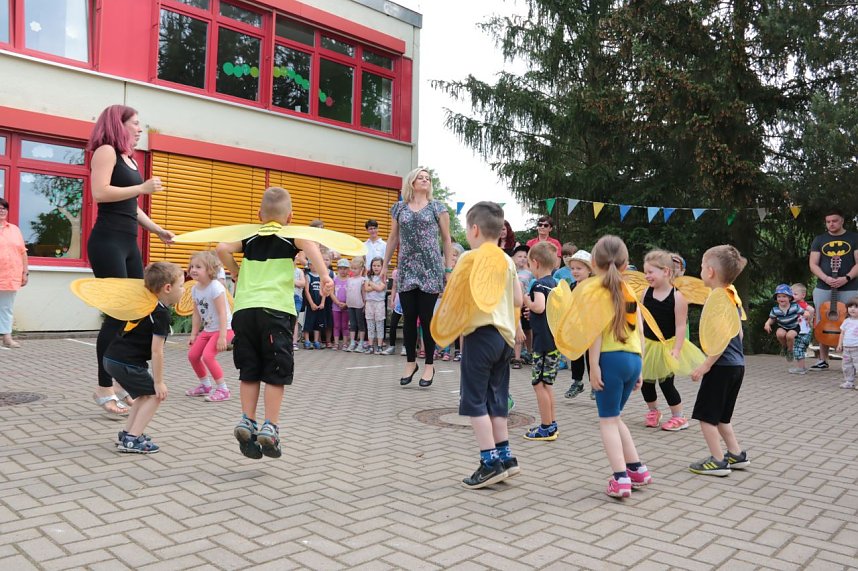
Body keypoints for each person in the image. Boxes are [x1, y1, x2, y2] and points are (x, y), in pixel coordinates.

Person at [217, 186, 332, 459]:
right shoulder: (290, 237)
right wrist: (326, 277)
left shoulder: (250, 237)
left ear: (259, 215)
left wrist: (235, 270)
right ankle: (270, 425)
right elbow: (311, 245)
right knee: (275, 371)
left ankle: (247, 419)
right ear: (290, 217)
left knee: (249, 370)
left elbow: (221, 247)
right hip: (275, 312)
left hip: (245, 311)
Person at [87, 104, 175, 415]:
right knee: (116, 316)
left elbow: (131, 204)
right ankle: (103, 387)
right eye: (135, 123)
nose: (139, 128)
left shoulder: (129, 158)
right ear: (118, 123)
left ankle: (123, 380)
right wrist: (142, 186)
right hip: (107, 242)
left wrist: (158, 229)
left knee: (137, 311)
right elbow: (100, 193)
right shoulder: (106, 151)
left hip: (129, 242)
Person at [454, 202, 522, 487]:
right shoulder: (507, 260)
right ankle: (505, 457)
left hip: (480, 335)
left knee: (474, 401)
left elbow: (456, 297)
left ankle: (489, 462)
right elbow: (519, 299)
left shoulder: (470, 258)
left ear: (475, 229)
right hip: (504, 338)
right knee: (496, 399)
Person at [588, 235, 652, 498]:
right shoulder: (631, 293)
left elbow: (595, 333)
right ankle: (636, 469)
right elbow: (641, 334)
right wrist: (640, 371)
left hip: (610, 360)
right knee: (615, 417)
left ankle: (620, 478)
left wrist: (593, 366)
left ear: (594, 262)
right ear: (625, 264)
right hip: (633, 359)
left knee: (607, 421)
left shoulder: (595, 291)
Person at [383, 167, 453, 388]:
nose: (425, 180)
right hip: (406, 267)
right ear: (412, 182)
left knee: (426, 318)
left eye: (428, 178)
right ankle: (410, 362)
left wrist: (448, 269)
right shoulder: (400, 208)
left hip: (430, 268)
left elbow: (447, 239)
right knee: (409, 317)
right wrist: (385, 265)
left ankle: (430, 365)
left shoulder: (437, 207)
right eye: (420, 178)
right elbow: (393, 238)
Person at [106, 262, 184, 453]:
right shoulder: (160, 314)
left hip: (112, 358)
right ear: (168, 288)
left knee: (144, 395)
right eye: (181, 285)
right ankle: (132, 439)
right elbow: (157, 351)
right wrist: (159, 382)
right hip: (126, 362)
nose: (183, 290)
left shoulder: (145, 304)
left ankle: (128, 433)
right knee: (155, 396)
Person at [689, 245, 750, 476]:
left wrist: (706, 365)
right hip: (737, 365)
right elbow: (739, 333)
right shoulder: (731, 295)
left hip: (720, 366)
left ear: (711, 271)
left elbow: (721, 338)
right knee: (723, 416)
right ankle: (735, 455)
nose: (700, 270)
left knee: (706, 417)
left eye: (702, 266)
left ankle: (717, 461)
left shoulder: (717, 298)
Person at [639, 250, 694, 431]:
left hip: (667, 346)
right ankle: (653, 411)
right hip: (647, 344)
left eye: (650, 272)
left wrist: (677, 349)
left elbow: (680, 326)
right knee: (646, 382)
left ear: (666, 272)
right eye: (645, 272)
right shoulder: (645, 293)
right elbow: (640, 319)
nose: (647, 276)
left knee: (666, 383)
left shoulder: (677, 297)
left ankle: (679, 416)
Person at [808, 209, 858, 370]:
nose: (831, 224)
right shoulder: (820, 239)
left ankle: (854, 360)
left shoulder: (854, 238)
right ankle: (823, 359)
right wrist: (826, 278)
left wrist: (846, 278)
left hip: (850, 287)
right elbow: (813, 264)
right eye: (828, 221)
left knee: (853, 320)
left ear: (842, 220)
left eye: (834, 221)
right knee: (823, 320)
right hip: (824, 286)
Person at [522, 242, 560, 441]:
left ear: (535, 263)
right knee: (547, 384)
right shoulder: (553, 283)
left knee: (538, 384)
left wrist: (527, 301)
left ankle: (546, 427)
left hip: (542, 343)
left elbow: (539, 307)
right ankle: (552, 423)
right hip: (553, 342)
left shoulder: (538, 284)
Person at [184, 251, 234, 402]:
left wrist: (223, 337)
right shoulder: (195, 288)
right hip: (208, 330)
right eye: (192, 266)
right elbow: (197, 314)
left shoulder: (215, 287)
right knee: (193, 355)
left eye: (198, 267)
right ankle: (205, 386)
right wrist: (193, 334)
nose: (193, 269)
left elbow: (222, 313)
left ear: (210, 270)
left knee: (208, 356)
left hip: (224, 329)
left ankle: (223, 389)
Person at [562, 250, 593, 399]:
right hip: (576, 327)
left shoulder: (594, 287)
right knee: (576, 355)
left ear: (589, 269)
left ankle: (595, 384)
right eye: (573, 268)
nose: (575, 271)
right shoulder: (572, 286)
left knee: (593, 356)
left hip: (592, 327)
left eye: (579, 268)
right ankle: (577, 382)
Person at [0, 197, 28, 348]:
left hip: (9, 275)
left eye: (4, 208)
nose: (2, 210)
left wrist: (25, 272)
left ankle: (7, 337)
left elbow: (23, 252)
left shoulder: (15, 230)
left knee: (6, 308)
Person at [764, 284, 805, 368]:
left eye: (784, 296)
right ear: (776, 298)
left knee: (790, 336)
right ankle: (784, 346)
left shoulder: (794, 307)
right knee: (779, 334)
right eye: (779, 296)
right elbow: (772, 318)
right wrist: (767, 323)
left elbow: (803, 312)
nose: (781, 299)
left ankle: (790, 350)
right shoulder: (775, 309)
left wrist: (807, 314)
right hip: (782, 326)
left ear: (789, 298)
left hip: (794, 326)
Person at [510, 245, 533, 369]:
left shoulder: (529, 273)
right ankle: (517, 358)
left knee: (527, 330)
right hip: (513, 305)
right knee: (515, 330)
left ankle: (529, 352)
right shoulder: (510, 270)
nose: (522, 259)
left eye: (525, 257)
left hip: (526, 304)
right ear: (513, 258)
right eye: (519, 256)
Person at [789, 283, 814, 375]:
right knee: (800, 348)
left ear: (803, 295)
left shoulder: (801, 304)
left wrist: (810, 320)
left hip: (803, 331)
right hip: (800, 330)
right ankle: (801, 367)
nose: (792, 296)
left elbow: (811, 309)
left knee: (798, 348)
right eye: (791, 294)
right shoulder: (795, 304)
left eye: (795, 294)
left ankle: (801, 368)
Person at [364, 257, 387, 354]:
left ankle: (380, 345)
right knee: (370, 324)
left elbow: (380, 288)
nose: (376, 267)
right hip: (369, 303)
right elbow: (366, 288)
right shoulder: (368, 276)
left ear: (382, 267)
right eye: (374, 265)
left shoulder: (384, 277)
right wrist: (374, 286)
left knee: (379, 325)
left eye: (378, 266)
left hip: (379, 303)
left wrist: (371, 284)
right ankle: (370, 345)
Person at [345, 257, 368, 352]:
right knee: (352, 324)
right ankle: (352, 342)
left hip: (359, 305)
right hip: (350, 304)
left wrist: (365, 304)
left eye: (355, 268)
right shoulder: (349, 279)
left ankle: (361, 342)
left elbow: (364, 293)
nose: (353, 270)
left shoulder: (363, 280)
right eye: (352, 268)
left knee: (360, 324)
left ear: (361, 269)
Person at [302, 259, 326, 350]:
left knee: (318, 324)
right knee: (308, 323)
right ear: (310, 266)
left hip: (319, 304)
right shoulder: (308, 276)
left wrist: (323, 302)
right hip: (311, 305)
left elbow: (324, 290)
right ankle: (307, 341)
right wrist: (311, 303)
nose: (315, 266)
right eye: (312, 264)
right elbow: (307, 291)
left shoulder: (321, 277)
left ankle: (316, 341)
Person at [836, 297, 858, 389]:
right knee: (847, 365)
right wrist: (839, 344)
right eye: (850, 306)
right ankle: (849, 381)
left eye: (856, 307)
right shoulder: (846, 321)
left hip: (856, 348)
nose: (852, 309)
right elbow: (842, 333)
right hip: (846, 348)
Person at [382, 268, 403, 355]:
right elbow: (394, 287)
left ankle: (406, 347)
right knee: (393, 325)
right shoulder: (396, 272)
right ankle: (392, 346)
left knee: (408, 326)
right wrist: (392, 300)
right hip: (398, 302)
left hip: (409, 302)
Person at [331, 258, 350, 350]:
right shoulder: (334, 280)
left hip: (347, 306)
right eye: (341, 268)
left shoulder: (350, 280)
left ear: (348, 269)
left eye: (345, 268)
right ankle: (336, 343)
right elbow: (331, 292)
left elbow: (352, 293)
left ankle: (345, 343)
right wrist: (337, 302)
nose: (343, 270)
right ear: (338, 269)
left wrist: (346, 303)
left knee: (345, 325)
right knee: (336, 325)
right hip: (336, 306)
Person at [292, 251, 306, 350]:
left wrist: (292, 281)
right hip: (285, 297)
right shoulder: (283, 271)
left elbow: (302, 283)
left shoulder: (299, 271)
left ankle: (294, 342)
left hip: (296, 298)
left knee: (295, 321)